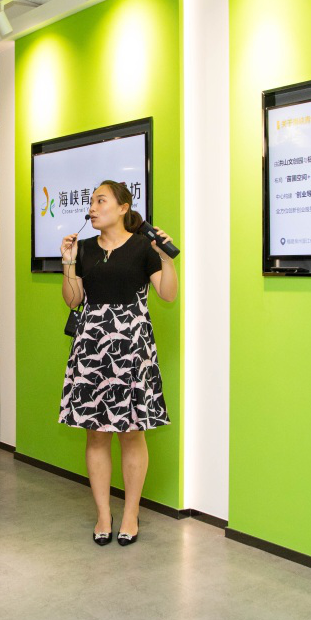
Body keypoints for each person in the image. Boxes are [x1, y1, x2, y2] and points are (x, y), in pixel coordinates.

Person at [59, 180, 176, 546]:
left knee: (131, 432)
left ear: (123, 207)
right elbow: (73, 300)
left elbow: (168, 294)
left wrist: (167, 258)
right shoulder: (85, 249)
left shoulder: (143, 247)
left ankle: (130, 513)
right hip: (91, 346)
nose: (92, 208)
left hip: (132, 348)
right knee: (96, 433)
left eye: (101, 201)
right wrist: (68, 262)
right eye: (91, 202)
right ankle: (103, 514)